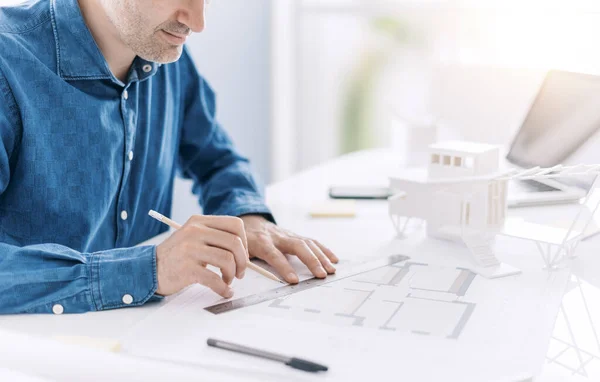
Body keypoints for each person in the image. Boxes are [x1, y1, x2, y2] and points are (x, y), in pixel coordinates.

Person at [0, 0, 338, 314]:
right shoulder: (7, 62)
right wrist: (148, 270)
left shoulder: (163, 51)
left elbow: (217, 158)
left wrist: (248, 218)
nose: (199, 22)